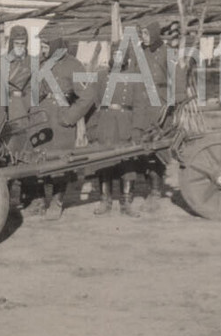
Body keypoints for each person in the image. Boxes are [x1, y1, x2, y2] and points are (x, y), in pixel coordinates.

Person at [26, 36, 92, 220]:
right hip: (40, 119)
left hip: (60, 120)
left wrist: (70, 116)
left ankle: (56, 202)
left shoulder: (74, 65)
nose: (43, 50)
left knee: (60, 163)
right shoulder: (42, 64)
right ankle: (38, 201)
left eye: (46, 46)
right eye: (42, 46)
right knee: (38, 159)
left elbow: (87, 95)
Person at [89, 43, 141, 217]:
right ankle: (105, 200)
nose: (117, 58)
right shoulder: (102, 76)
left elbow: (140, 105)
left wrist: (137, 130)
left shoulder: (134, 77)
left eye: (121, 54)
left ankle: (126, 202)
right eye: (115, 54)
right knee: (105, 163)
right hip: (106, 122)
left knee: (127, 163)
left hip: (126, 122)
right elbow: (93, 104)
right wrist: (92, 129)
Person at [134, 21, 170, 211]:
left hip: (160, 107)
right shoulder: (140, 52)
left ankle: (155, 192)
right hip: (142, 105)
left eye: (147, 33)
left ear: (155, 33)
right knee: (142, 149)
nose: (144, 36)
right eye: (142, 33)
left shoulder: (166, 52)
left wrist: (172, 102)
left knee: (156, 149)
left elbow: (177, 80)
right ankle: (149, 186)